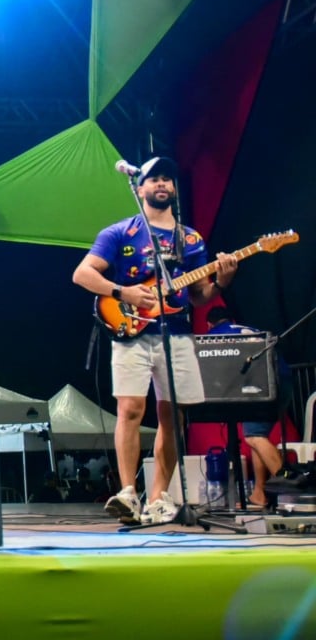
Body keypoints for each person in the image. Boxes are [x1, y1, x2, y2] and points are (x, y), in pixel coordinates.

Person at [73, 156, 236, 525]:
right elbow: (82, 274)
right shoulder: (119, 232)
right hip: (131, 333)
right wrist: (123, 292)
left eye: (167, 179)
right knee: (130, 409)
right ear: (140, 187)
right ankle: (128, 493)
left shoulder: (190, 239)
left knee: (173, 415)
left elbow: (199, 296)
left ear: (173, 188)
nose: (162, 184)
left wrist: (222, 282)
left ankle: (159, 496)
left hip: (176, 333)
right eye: (154, 178)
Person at [205, 306, 286, 508]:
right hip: (284, 379)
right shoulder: (247, 329)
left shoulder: (214, 335)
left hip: (263, 384)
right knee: (256, 434)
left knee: (254, 436)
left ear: (209, 324)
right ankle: (259, 494)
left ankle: (291, 491)